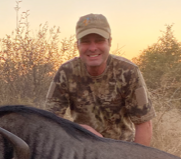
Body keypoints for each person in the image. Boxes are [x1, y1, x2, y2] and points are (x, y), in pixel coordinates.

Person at [45, 13, 155, 146]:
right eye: (86, 41)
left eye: (99, 40)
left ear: (109, 42)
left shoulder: (128, 71)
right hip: (82, 148)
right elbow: (49, 121)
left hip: (122, 150)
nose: (92, 48)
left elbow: (144, 124)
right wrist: (78, 130)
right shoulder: (66, 72)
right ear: (78, 45)